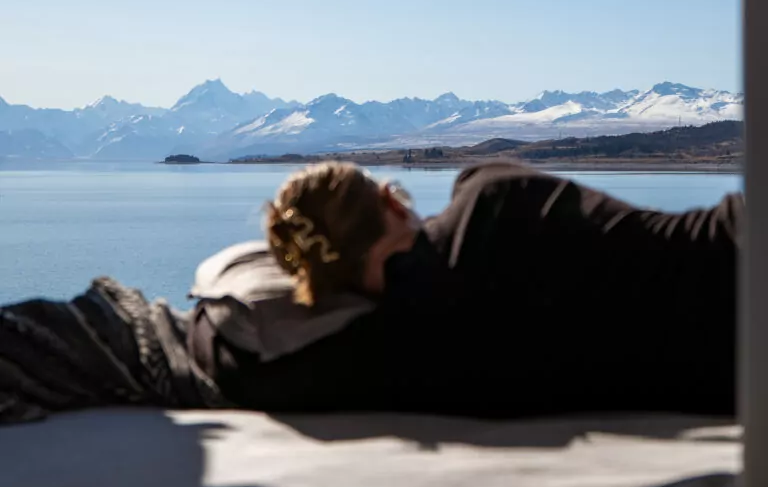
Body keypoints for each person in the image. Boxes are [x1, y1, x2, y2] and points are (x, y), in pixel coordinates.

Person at [188, 161, 742, 419]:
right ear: (393, 201)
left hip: (728, 376)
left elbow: (222, 330)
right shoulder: (491, 199)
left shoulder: (397, 349)